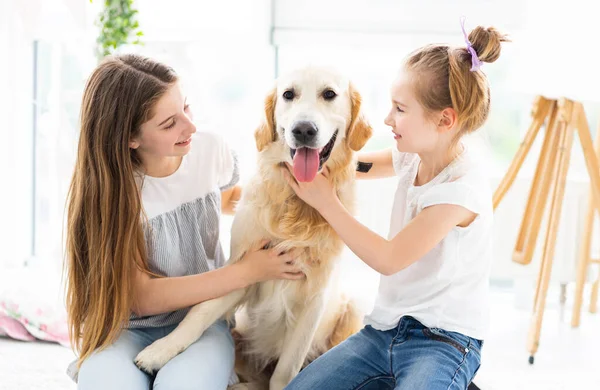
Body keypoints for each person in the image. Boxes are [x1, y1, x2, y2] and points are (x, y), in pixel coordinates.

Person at [283, 20, 508, 390]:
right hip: (383, 332)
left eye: (400, 109)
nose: (388, 119)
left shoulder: (459, 190)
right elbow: (358, 165)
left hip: (444, 341)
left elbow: (389, 257)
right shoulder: (413, 154)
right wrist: (312, 156)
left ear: (444, 120)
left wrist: (327, 202)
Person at [64, 54, 304, 390]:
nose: (190, 127)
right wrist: (248, 271)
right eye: (168, 123)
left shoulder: (208, 150)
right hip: (125, 329)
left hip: (203, 323)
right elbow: (143, 298)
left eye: (186, 108)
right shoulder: (110, 191)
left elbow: (229, 202)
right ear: (131, 139)